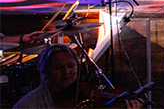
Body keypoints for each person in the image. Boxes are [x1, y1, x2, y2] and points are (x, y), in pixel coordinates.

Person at [14, 44, 142, 109]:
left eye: (71, 66)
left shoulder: (85, 93)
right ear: (45, 71)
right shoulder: (29, 104)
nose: (66, 72)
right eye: (59, 68)